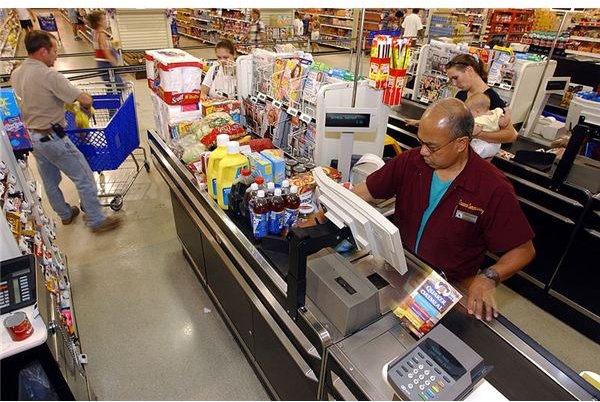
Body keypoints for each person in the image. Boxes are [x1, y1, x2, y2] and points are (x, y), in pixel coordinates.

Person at [352, 98, 535, 321]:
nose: (423, 152)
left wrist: (489, 277)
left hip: (448, 288)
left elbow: (524, 250)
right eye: (421, 142)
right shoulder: (411, 162)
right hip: (400, 268)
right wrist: (326, 210)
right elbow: (367, 191)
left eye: (432, 146)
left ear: (461, 143)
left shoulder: (492, 188)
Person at [11, 30, 122, 233]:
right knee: (85, 177)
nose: (56, 55)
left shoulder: (17, 73)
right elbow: (85, 99)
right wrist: (85, 109)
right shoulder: (49, 75)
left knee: (50, 180)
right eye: (54, 50)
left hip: (33, 138)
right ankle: (97, 220)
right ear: (43, 51)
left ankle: (65, 214)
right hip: (53, 137)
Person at [407, 53, 518, 145]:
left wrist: (478, 134)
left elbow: (511, 135)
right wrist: (421, 123)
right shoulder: (461, 95)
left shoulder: (491, 98)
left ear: (469, 70)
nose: (454, 83)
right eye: (451, 80)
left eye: (455, 78)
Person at [465, 93, 511, 159]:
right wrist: (507, 115)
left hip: (482, 145)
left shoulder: (479, 119)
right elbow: (503, 123)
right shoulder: (495, 113)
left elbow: (475, 131)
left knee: (468, 154)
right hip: (496, 145)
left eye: (470, 113)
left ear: (477, 111)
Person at [87, 10, 122, 84]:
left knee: (112, 86)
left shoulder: (95, 33)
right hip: (106, 64)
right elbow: (106, 52)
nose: (106, 21)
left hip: (101, 64)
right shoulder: (101, 35)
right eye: (104, 19)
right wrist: (116, 64)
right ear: (99, 22)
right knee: (117, 86)